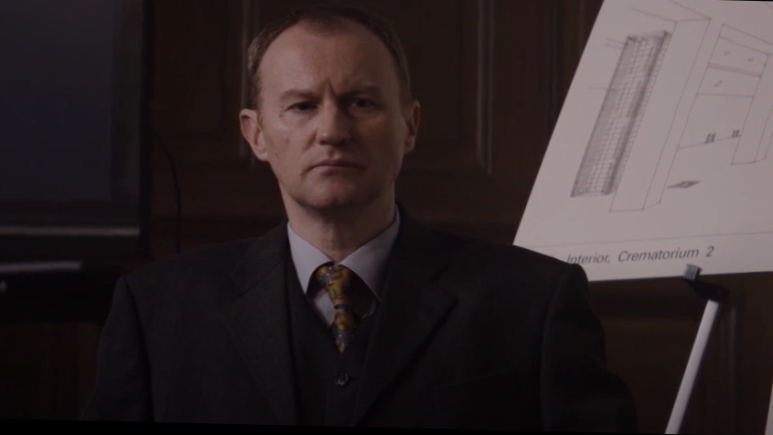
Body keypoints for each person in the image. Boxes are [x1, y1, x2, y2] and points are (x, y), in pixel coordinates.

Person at [81, 4, 638, 431]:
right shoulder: (153, 311)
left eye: (361, 103)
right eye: (302, 105)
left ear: (409, 126)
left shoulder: (535, 302)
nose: (332, 130)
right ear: (256, 134)